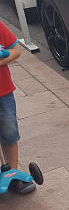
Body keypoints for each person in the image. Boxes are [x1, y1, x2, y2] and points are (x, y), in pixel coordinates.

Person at [0, 21, 32, 194]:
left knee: (9, 132)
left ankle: (11, 173)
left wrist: (2, 59)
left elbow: (15, 49)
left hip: (3, 93)